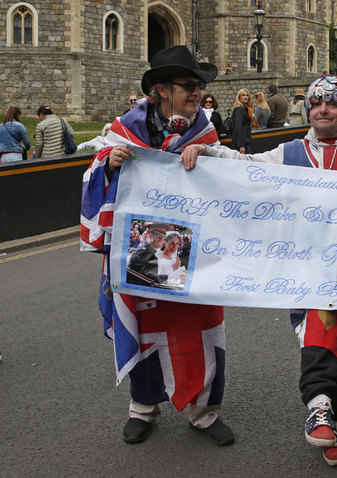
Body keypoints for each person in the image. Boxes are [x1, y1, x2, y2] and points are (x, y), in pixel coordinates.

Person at [180, 74, 337, 467]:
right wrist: (208, 152)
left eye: (331, 103)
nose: (322, 110)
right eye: (315, 104)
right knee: (319, 327)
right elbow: (247, 167)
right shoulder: (291, 152)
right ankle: (317, 408)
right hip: (310, 267)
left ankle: (330, 414)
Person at [80, 44, 234, 447]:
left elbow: (231, 178)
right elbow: (93, 174)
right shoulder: (124, 129)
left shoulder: (205, 132)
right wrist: (109, 164)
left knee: (198, 329)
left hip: (192, 254)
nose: (197, 93)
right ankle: (143, 408)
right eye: (189, 85)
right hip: (140, 253)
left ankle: (203, 411)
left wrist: (211, 155)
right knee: (144, 324)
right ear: (162, 90)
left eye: (199, 86)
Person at [231, 88, 257, 153]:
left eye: (247, 95)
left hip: (246, 141)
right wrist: (241, 145)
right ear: (239, 97)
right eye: (243, 95)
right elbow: (238, 127)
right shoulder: (239, 109)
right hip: (242, 143)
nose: (245, 97)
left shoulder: (246, 109)